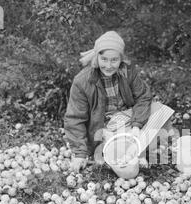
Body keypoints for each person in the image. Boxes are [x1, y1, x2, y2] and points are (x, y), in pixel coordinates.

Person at [64, 30, 178, 172]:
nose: (109, 65)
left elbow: (143, 96)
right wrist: (80, 153)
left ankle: (131, 148)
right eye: (104, 59)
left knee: (160, 110)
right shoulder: (82, 81)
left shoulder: (127, 72)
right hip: (103, 126)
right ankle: (130, 150)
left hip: (128, 118)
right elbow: (75, 118)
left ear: (121, 59)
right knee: (114, 142)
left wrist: (136, 125)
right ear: (96, 57)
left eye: (114, 60)